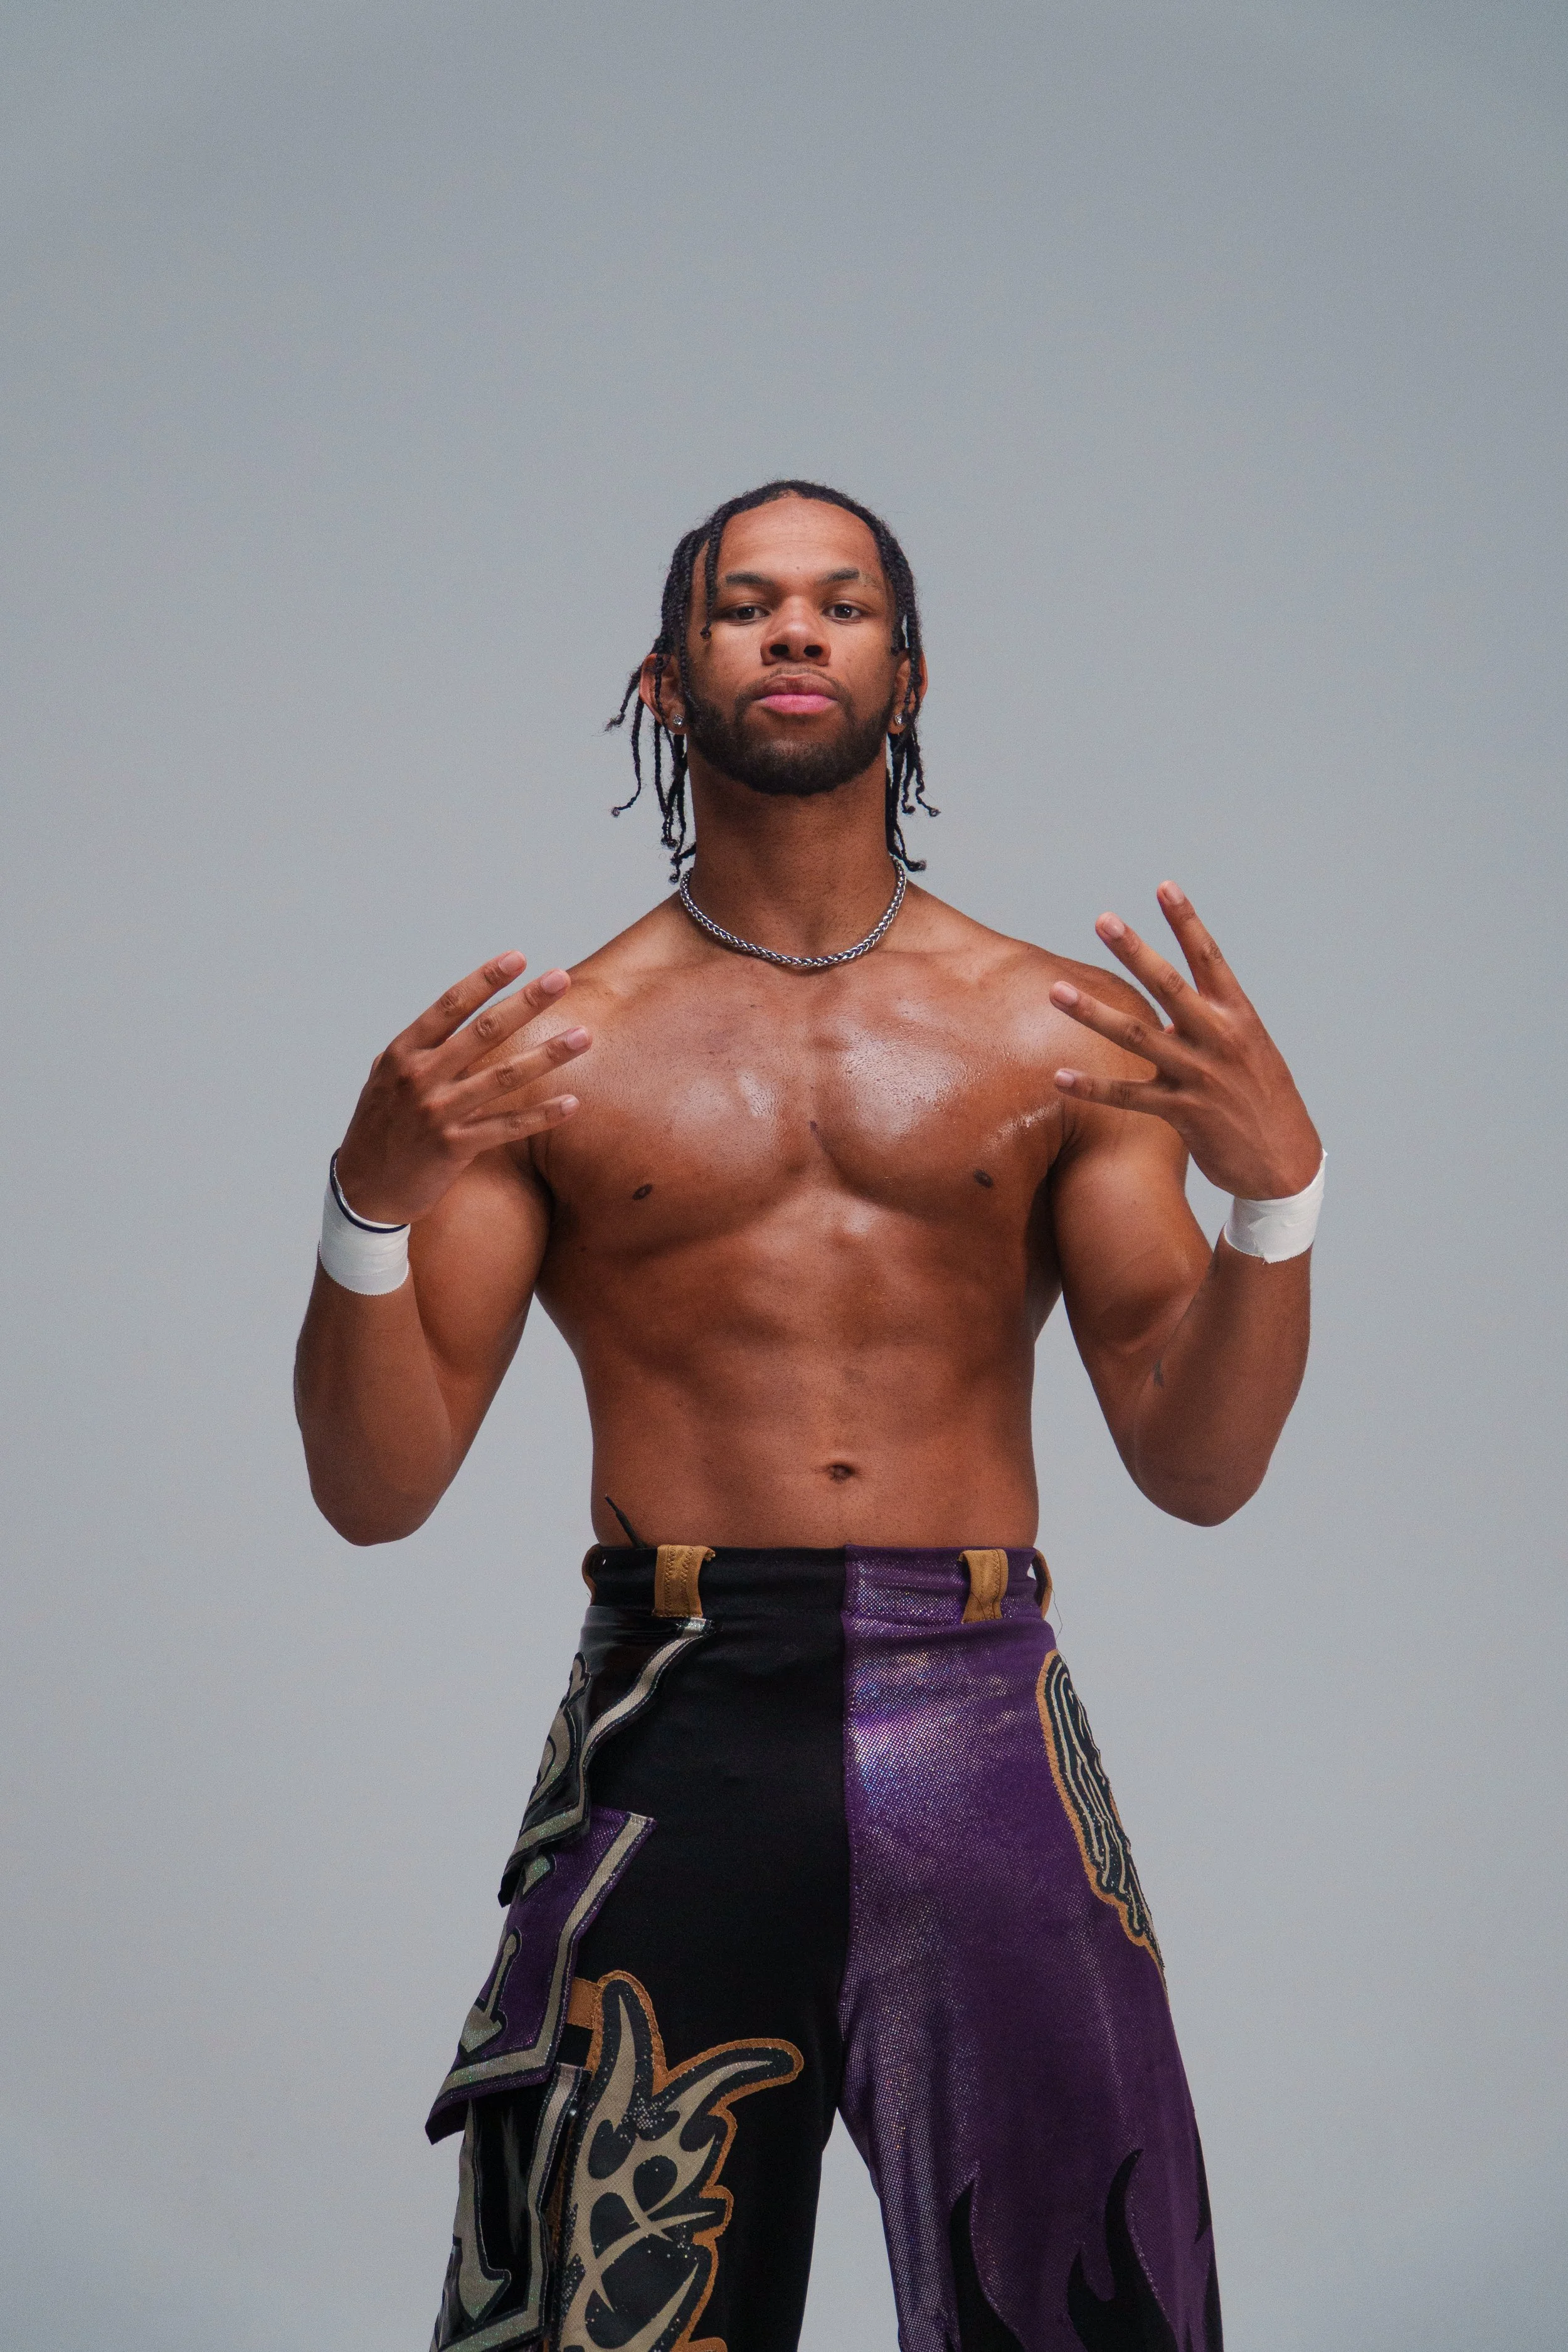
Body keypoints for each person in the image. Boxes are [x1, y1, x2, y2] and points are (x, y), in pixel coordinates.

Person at [294, 480, 1322, 2352]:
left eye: (838, 605)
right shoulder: (550, 1062)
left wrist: (1278, 1205)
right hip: (674, 1716)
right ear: (662, 677)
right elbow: (376, 1486)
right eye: (745, 604)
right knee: (590, 2318)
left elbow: (1196, 1462)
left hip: (983, 1707)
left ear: (903, 674)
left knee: (1096, 2306)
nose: (792, 631)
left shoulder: (1062, 1035)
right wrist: (364, 1212)